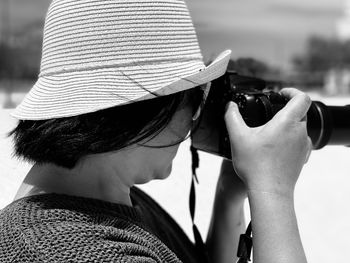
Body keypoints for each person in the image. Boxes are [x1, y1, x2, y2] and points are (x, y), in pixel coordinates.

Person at [0, 0, 312, 262]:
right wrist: (274, 191)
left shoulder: (106, 199)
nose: (194, 119)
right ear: (143, 111)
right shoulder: (66, 249)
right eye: (191, 98)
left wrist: (231, 193)